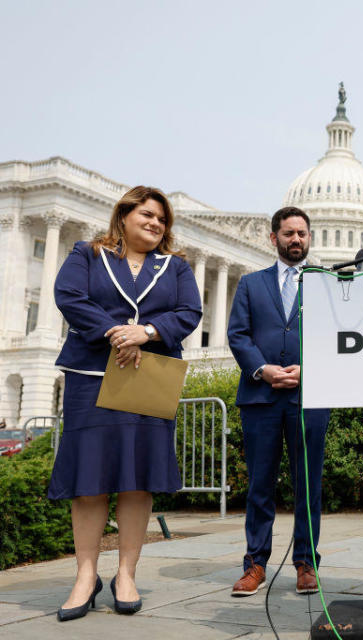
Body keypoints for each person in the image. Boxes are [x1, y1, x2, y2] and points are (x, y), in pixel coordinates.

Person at [49, 186, 202, 621]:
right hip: (93, 377)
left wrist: (148, 333)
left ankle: (126, 574)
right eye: (148, 215)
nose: (156, 223)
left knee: (138, 479)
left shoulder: (176, 267)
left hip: (148, 377)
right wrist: (119, 332)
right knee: (89, 479)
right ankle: (85, 575)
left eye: (162, 219)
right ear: (125, 214)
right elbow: (69, 297)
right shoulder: (87, 254)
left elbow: (189, 312)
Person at [227, 206, 330, 597]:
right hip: (261, 397)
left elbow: (336, 335)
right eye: (289, 233)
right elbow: (238, 335)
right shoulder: (252, 284)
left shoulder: (324, 283)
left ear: (309, 238)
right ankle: (255, 564)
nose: (296, 239)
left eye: (302, 233)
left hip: (310, 395)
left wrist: (310, 367)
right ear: (274, 238)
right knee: (260, 485)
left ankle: (306, 563)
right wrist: (263, 369)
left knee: (309, 484)